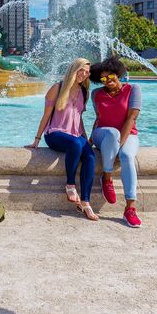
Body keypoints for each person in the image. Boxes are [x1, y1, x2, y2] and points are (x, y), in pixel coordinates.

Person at [28, 58, 99, 221]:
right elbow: (46, 115)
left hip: (74, 134)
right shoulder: (57, 88)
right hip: (54, 134)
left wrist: (86, 137)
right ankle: (70, 185)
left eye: (87, 72)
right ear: (74, 68)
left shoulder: (83, 91)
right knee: (75, 143)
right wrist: (37, 139)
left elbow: (78, 117)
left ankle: (86, 203)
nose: (84, 74)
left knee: (90, 156)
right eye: (82, 70)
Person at [89, 57, 143, 228]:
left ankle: (130, 208)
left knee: (127, 155)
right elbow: (99, 118)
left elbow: (132, 117)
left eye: (111, 76)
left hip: (128, 133)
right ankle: (106, 178)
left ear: (118, 74)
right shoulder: (96, 94)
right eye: (103, 79)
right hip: (102, 134)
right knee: (111, 133)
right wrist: (90, 140)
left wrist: (120, 144)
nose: (108, 81)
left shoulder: (133, 89)